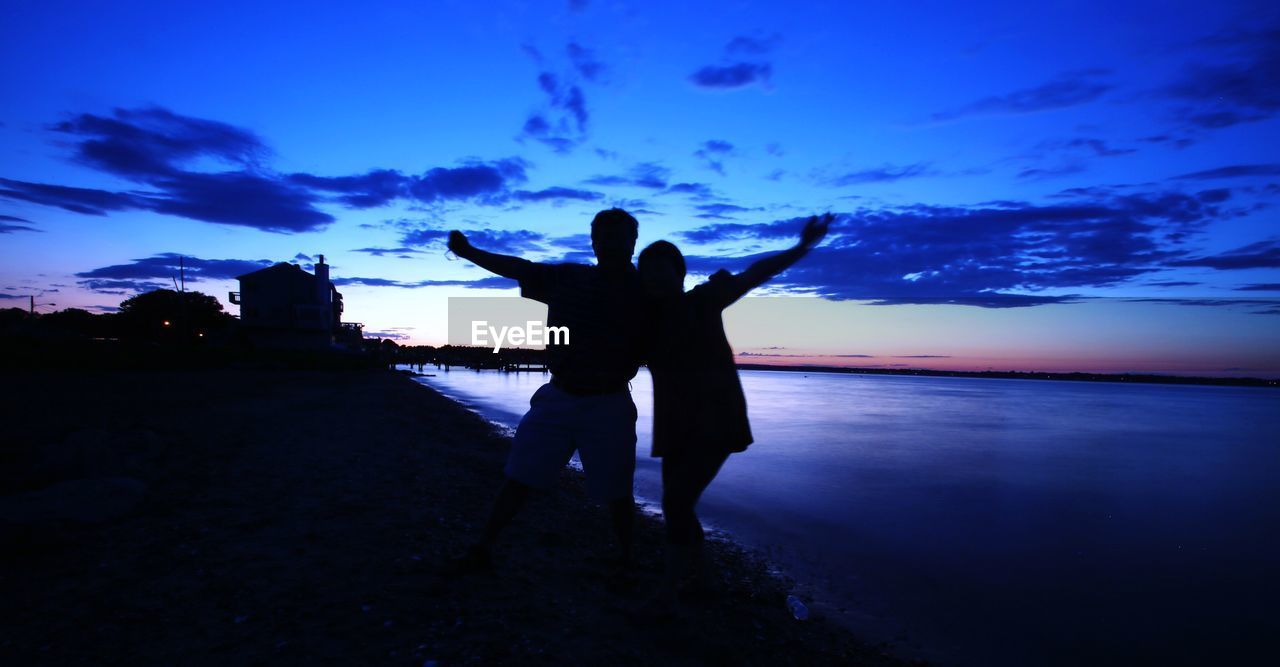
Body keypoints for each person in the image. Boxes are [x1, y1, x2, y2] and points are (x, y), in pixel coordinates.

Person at [636, 213, 832, 612]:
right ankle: (705, 581)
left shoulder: (704, 300)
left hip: (716, 422)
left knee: (675, 503)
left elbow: (755, 274)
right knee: (680, 503)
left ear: (679, 274)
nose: (655, 279)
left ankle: (667, 593)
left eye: (662, 271)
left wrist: (801, 247)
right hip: (674, 425)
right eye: (647, 272)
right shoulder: (644, 324)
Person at [445, 208, 647, 574]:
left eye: (619, 237)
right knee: (520, 477)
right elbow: (518, 268)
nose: (611, 243)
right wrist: (469, 252)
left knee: (617, 490)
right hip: (559, 397)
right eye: (604, 236)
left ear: (633, 242)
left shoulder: (648, 292)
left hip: (610, 402)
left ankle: (627, 559)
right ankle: (483, 547)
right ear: (594, 241)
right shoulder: (569, 278)